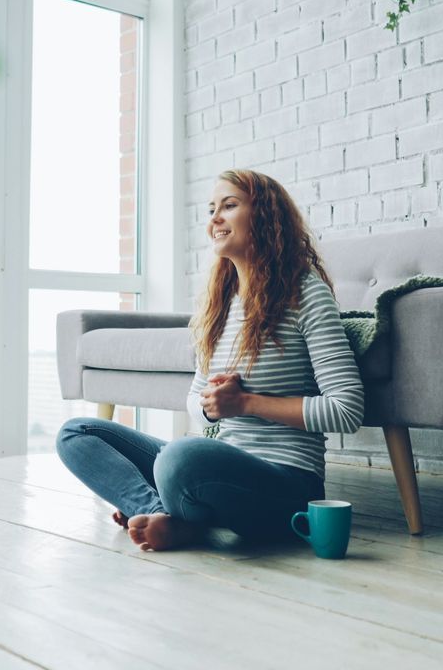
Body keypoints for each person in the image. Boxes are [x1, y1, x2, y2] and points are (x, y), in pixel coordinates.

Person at [55, 169, 366, 552]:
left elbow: (346, 409)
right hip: (218, 465)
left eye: (229, 206)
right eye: (211, 209)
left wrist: (245, 403)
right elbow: (195, 402)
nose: (214, 219)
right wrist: (214, 408)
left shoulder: (305, 295)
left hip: (285, 484)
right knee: (77, 433)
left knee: (181, 457)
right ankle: (159, 514)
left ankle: (174, 515)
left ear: (265, 216)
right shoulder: (221, 303)